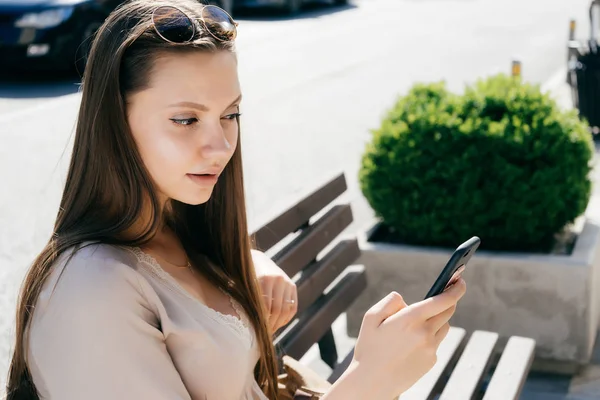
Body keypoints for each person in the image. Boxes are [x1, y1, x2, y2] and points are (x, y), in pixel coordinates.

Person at [5, 0, 467, 399]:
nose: (221, 145)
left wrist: (243, 265)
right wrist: (372, 380)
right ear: (113, 123)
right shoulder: (90, 294)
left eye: (231, 114)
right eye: (186, 119)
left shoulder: (179, 230)